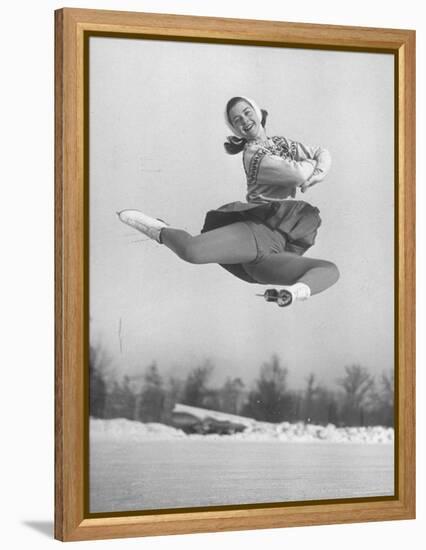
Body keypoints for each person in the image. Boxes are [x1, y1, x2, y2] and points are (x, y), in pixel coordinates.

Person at [118, 96, 339, 307]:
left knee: (329, 270)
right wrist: (312, 168)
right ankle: (159, 229)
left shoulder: (281, 143)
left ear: (257, 113)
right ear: (235, 129)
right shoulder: (254, 155)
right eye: (237, 120)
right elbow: (299, 175)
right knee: (191, 251)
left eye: (247, 113)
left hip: (275, 249)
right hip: (256, 231)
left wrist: (318, 172)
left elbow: (322, 152)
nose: (245, 120)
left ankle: (292, 294)